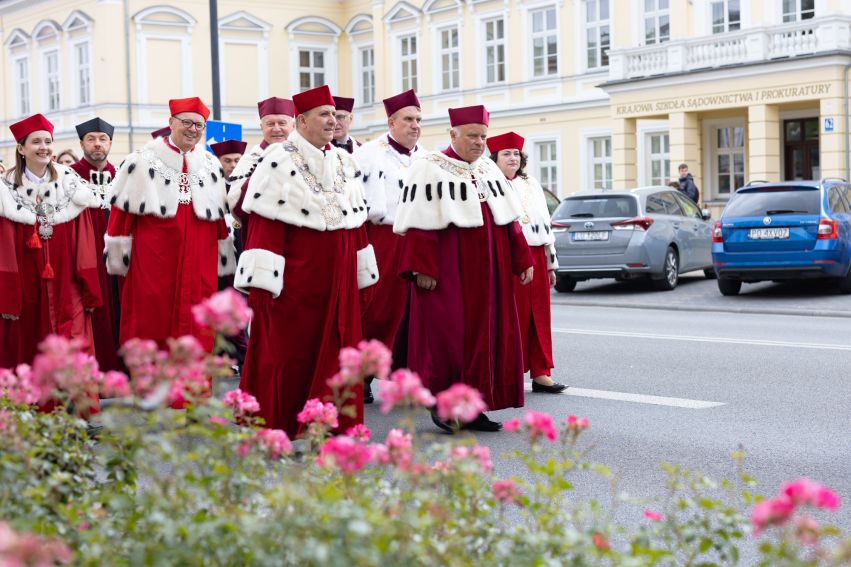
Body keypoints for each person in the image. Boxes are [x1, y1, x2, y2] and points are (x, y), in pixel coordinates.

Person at [235, 85, 377, 437]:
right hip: (297, 281)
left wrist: (363, 274)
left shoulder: (345, 159)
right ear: (301, 121)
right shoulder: (276, 160)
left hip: (341, 277)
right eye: (325, 115)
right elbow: (265, 227)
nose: (333, 121)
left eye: (335, 115)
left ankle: (334, 425)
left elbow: (356, 221)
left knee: (339, 353)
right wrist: (262, 287)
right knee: (287, 355)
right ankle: (277, 425)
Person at [394, 105, 533, 432]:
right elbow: (419, 222)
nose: (479, 142)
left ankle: (475, 407)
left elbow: (508, 218)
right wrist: (421, 267)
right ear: (453, 134)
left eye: (483, 136)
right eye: (472, 136)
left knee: (487, 337)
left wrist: (522, 258)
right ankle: (445, 405)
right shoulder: (428, 167)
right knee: (448, 338)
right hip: (449, 268)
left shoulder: (487, 168)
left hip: (491, 270)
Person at [104, 97, 235, 357]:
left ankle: (190, 395)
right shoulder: (141, 161)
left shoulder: (210, 166)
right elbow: (120, 217)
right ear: (171, 123)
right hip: (153, 263)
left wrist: (223, 256)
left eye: (199, 125)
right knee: (152, 325)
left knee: (198, 330)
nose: (193, 129)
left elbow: (220, 218)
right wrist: (120, 261)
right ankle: (153, 393)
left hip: (200, 263)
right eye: (187, 122)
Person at [0, 114, 102, 373]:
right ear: (21, 149)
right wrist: (8, 295)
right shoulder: (5, 190)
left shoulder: (70, 184)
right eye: (36, 142)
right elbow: (4, 250)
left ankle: (72, 408)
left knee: (73, 345)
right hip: (26, 287)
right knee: (28, 347)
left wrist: (89, 286)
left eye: (48, 141)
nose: (44, 147)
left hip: (68, 284)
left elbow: (85, 242)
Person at [354, 88, 424, 403]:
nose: (415, 125)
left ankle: (406, 377)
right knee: (378, 310)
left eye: (418, 120)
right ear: (392, 122)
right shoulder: (368, 154)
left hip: (418, 239)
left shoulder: (426, 157)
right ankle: (362, 374)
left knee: (415, 313)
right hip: (382, 238)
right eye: (408, 119)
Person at [488, 132, 565, 394]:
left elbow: (545, 222)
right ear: (495, 158)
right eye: (506, 154)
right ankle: (508, 371)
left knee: (539, 315)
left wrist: (550, 261)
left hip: (536, 253)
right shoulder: (491, 183)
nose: (513, 158)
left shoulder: (531, 182)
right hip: (509, 257)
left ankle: (542, 371)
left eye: (516, 153)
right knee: (514, 315)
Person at [69, 117, 122, 371]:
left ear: (110, 142)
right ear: (82, 143)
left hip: (120, 259)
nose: (97, 144)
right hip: (86, 258)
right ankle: (98, 371)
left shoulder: (122, 175)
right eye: (91, 139)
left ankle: (123, 372)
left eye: (102, 139)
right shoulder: (69, 177)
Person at [227, 97, 296, 248]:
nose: (276, 129)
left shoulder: (304, 157)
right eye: (270, 124)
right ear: (261, 127)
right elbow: (237, 207)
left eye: (282, 123)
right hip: (262, 239)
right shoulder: (249, 161)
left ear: (293, 125)